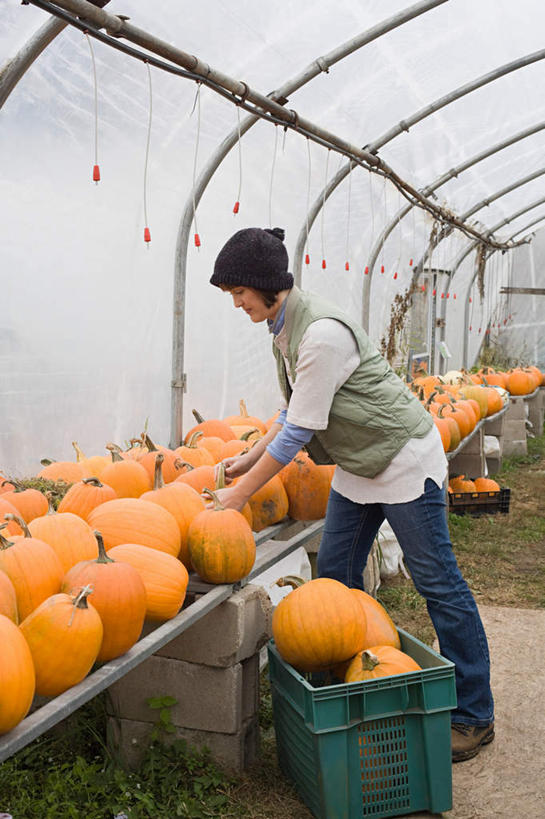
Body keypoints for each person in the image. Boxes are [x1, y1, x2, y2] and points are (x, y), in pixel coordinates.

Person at [209, 225, 494, 763]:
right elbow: (294, 412)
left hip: (404, 459)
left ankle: (473, 715)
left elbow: (297, 433)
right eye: (232, 295)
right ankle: (340, 699)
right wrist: (247, 457)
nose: (236, 303)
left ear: (267, 284)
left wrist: (238, 495)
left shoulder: (319, 334)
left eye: (239, 292)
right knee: (334, 579)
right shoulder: (283, 326)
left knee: (438, 583)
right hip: (360, 466)